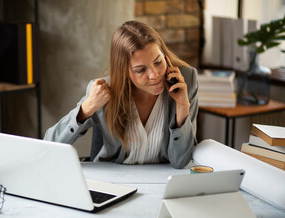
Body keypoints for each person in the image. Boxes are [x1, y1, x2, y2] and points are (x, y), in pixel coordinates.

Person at [44, 20, 198, 169]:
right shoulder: (103, 91)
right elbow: (49, 144)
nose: (154, 74)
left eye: (158, 62)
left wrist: (182, 106)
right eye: (140, 70)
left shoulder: (185, 81)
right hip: (115, 182)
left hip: (162, 183)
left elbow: (180, 162)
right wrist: (86, 109)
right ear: (124, 71)